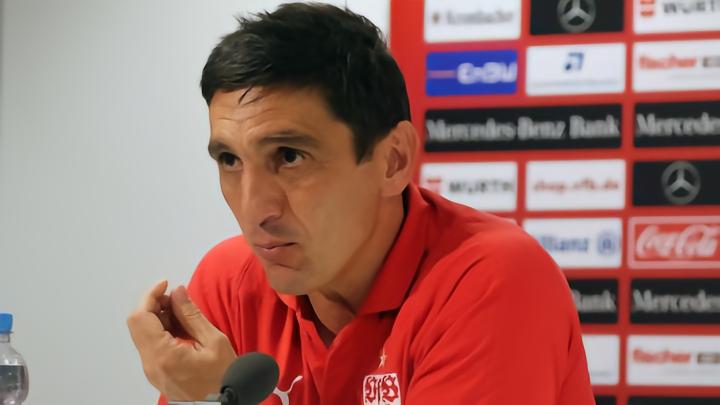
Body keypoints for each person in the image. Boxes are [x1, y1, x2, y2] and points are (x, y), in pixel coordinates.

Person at [126, 3, 595, 404]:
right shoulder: (231, 282)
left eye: (289, 156)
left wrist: (216, 398)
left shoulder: (492, 278)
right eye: (230, 160)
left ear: (393, 161)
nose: (254, 210)